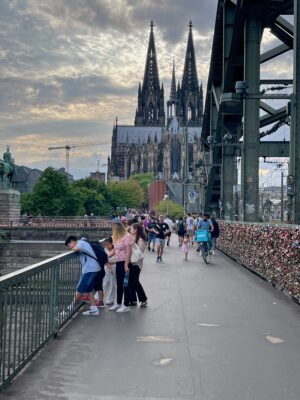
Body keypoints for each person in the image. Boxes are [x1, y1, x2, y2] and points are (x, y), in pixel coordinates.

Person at [65, 235, 100, 316]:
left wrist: (74, 249)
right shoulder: (83, 242)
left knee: (80, 289)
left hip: (90, 269)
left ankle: (71, 307)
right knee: (89, 289)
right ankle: (94, 309)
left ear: (72, 242)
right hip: (93, 268)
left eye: (69, 245)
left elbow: (76, 248)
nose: (70, 247)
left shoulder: (80, 243)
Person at [109, 221, 134, 313]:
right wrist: (107, 256)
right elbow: (115, 250)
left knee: (125, 284)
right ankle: (118, 303)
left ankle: (126, 305)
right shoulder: (117, 237)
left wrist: (126, 265)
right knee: (119, 284)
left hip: (125, 262)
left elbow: (129, 251)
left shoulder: (127, 236)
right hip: (118, 262)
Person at [129, 223, 148, 307]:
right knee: (131, 281)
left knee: (135, 281)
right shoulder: (131, 237)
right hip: (130, 262)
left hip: (137, 263)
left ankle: (143, 299)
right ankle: (133, 299)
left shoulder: (140, 240)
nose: (130, 230)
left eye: (132, 229)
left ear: (136, 230)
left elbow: (139, 253)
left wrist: (132, 245)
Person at [102, 236, 117, 305]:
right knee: (105, 282)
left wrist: (111, 263)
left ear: (112, 243)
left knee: (112, 283)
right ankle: (100, 297)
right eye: (105, 244)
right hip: (106, 266)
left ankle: (111, 299)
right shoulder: (105, 249)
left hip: (114, 266)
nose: (106, 246)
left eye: (108, 244)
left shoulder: (116, 249)